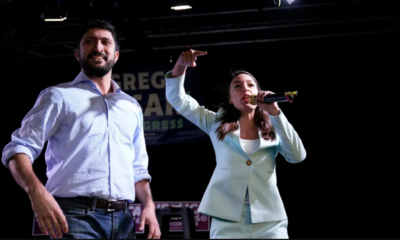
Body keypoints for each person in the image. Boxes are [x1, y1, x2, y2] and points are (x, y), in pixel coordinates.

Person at [1, 19, 160, 239]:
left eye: (105, 42)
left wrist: (149, 206)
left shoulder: (130, 106)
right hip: (73, 217)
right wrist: (36, 192)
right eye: (90, 41)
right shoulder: (58, 96)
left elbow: (138, 168)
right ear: (78, 53)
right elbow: (18, 149)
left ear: (116, 56)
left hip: (123, 221)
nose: (98, 47)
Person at [165, 49, 307, 239]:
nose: (245, 89)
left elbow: (297, 156)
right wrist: (180, 65)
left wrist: (275, 113)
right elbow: (178, 100)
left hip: (269, 219)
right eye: (237, 86)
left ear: (259, 93)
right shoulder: (215, 123)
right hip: (227, 218)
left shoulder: (274, 127)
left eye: (250, 85)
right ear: (230, 99)